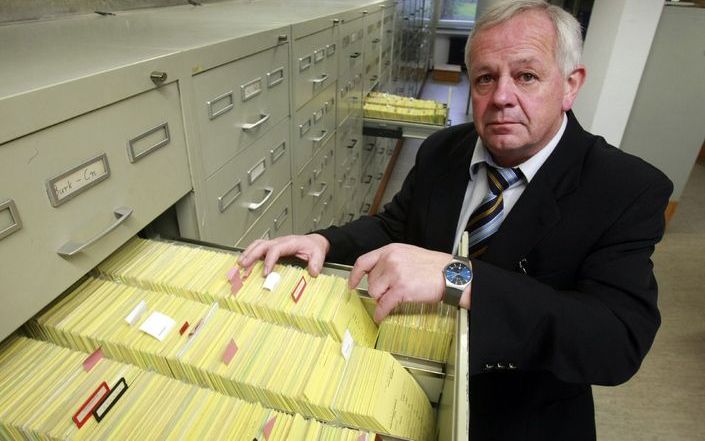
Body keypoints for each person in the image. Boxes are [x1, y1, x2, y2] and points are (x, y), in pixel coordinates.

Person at [238, 1, 673, 439]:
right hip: (408, 383)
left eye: (526, 76)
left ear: (570, 85)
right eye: (486, 78)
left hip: (519, 415)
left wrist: (459, 277)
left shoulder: (624, 188)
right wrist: (325, 242)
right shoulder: (442, 150)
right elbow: (394, 227)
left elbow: (617, 340)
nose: (502, 96)